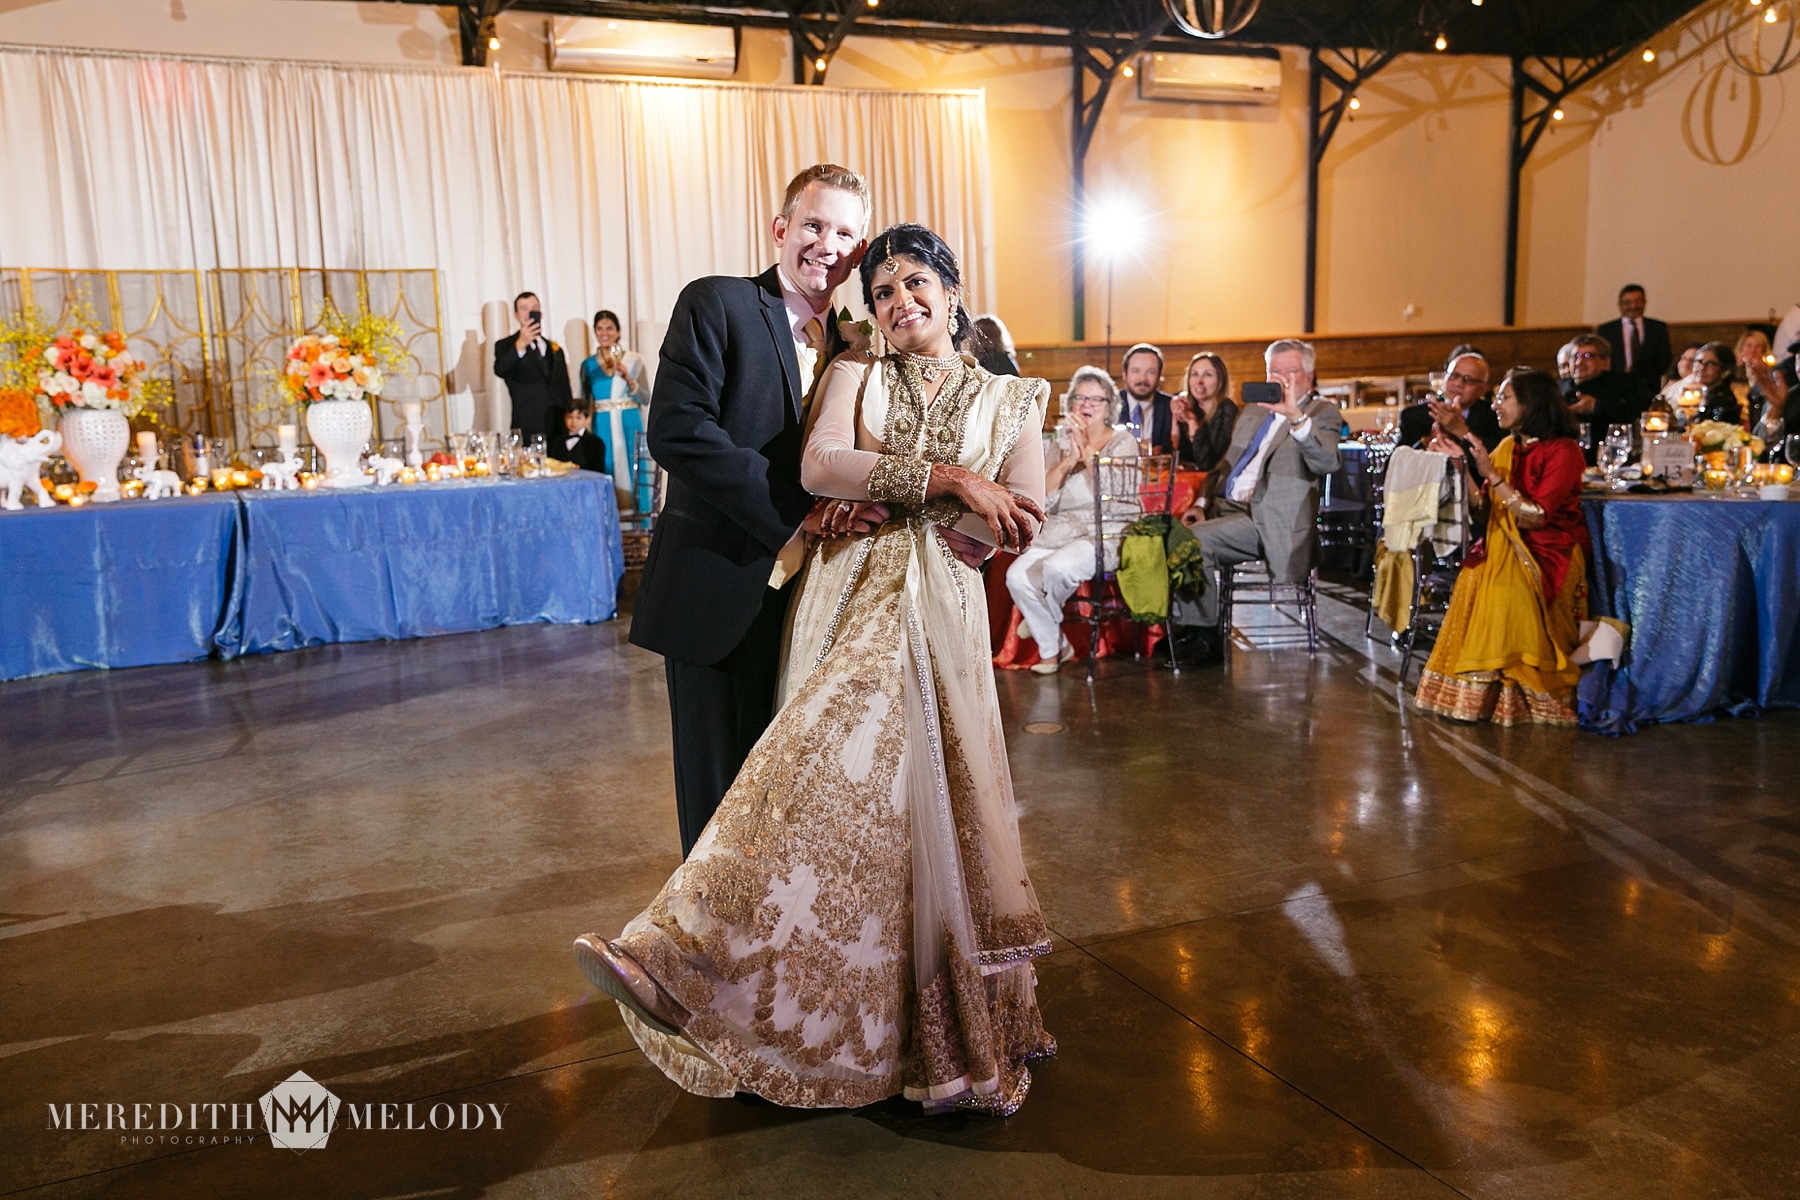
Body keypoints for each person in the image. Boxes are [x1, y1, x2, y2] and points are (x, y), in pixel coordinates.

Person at [577, 221, 1056, 1117]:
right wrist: (951, 480)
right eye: (881, 292)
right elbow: (824, 463)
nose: (899, 302)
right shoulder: (854, 371)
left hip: (939, 615)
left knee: (916, 817)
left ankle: (910, 1036)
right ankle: (684, 963)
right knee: (805, 781)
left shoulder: (1016, 398)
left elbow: (1019, 512)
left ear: (953, 291)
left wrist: (959, 509)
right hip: (844, 603)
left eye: (915, 283)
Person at [623, 164, 871, 858]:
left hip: (816, 608)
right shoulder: (718, 303)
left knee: (790, 799)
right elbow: (678, 430)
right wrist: (798, 514)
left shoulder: (861, 344)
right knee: (719, 807)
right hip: (723, 589)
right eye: (814, 225)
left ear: (859, 250)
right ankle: (703, 927)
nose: (826, 245)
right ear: (780, 229)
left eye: (843, 233)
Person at [1414, 368, 1591, 726]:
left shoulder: (1564, 451)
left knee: (1504, 592)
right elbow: (1484, 508)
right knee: (1475, 580)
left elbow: (1535, 517)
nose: (1495, 405)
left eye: (1503, 398)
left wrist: (1492, 474)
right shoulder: (1509, 446)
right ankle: (1482, 695)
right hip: (1499, 545)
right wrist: (1461, 467)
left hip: (1547, 552)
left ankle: (1521, 693)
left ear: (1530, 404)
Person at [1181, 338, 1342, 665]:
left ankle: (1206, 638)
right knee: (1166, 532)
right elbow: (1224, 465)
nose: (1281, 378)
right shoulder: (1254, 411)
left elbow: (1327, 462)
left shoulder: (1321, 412)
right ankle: (1184, 627)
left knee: (1192, 542)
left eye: (1290, 371)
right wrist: (1200, 502)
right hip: (1227, 509)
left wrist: (1295, 416)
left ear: (1309, 376)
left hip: (1271, 519)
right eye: (1274, 371)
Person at [1007, 365, 1138, 674]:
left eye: (1095, 399)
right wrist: (1069, 459)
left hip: (1105, 531)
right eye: (1079, 398)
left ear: (1109, 407)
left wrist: (1089, 450)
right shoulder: (1062, 444)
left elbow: (1114, 492)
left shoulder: (1123, 442)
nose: (1086, 405)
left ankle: (1043, 626)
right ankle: (1055, 649)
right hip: (1061, 529)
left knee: (1057, 568)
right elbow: (1044, 495)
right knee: (1016, 576)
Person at [579, 309, 651, 512]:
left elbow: (646, 398)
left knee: (633, 468)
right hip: (602, 425)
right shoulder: (588, 365)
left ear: (618, 332)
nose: (605, 333)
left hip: (629, 421)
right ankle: (614, 521)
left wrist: (628, 378)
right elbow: (584, 400)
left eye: (609, 328)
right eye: (599, 328)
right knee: (607, 466)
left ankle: (639, 521)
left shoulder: (634, 360)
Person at [492, 291, 573, 444]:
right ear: (516, 315)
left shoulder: (555, 349)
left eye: (534, 308)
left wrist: (571, 419)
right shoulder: (506, 346)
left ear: (540, 314)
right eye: (524, 309)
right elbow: (500, 370)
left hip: (559, 427)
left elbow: (564, 388)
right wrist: (520, 345)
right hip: (527, 426)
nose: (529, 313)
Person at [1560, 334, 1649, 462]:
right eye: (1576, 356)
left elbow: (1642, 409)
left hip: (1610, 455)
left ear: (1605, 361)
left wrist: (1598, 406)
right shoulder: (1557, 387)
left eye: (1588, 356)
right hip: (1565, 456)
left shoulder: (1623, 384)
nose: (1579, 362)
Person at [1398, 348, 1501, 451]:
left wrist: (1460, 430)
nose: (1458, 383)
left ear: (1482, 389)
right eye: (1453, 376)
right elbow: (1396, 459)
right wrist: (1427, 441)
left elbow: (1498, 456)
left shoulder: (1496, 417)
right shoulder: (1414, 416)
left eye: (1468, 380)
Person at [1171, 351, 1237, 472]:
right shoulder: (1184, 405)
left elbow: (1208, 464)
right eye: (1194, 374)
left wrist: (1192, 422)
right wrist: (1174, 422)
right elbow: (1170, 455)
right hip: (1184, 477)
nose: (1199, 381)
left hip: (1211, 481)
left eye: (1207, 375)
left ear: (1220, 380)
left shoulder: (1227, 410)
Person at [1597, 283, 1672, 388]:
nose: (1633, 306)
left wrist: (1647, 378)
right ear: (1619, 305)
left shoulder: (1658, 328)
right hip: (1614, 386)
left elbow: (1664, 358)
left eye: (1638, 301)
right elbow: (1601, 359)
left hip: (1648, 387)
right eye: (1627, 302)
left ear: (1644, 302)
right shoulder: (1606, 330)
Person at [1117, 343, 1174, 454]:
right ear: (1124, 374)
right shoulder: (1108, 405)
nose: (1143, 379)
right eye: (1136, 371)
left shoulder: (1171, 407)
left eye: (1150, 372)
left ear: (1159, 376)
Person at [550, 399, 608, 474]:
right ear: (565, 418)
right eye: (570, 417)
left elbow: (598, 471)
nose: (574, 422)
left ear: (588, 420)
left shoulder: (596, 443)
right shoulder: (557, 442)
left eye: (579, 418)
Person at [1692, 342, 1743, 424]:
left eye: (1710, 364)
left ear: (1726, 371)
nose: (1702, 368)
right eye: (1699, 362)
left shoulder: (1723, 401)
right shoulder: (1705, 393)